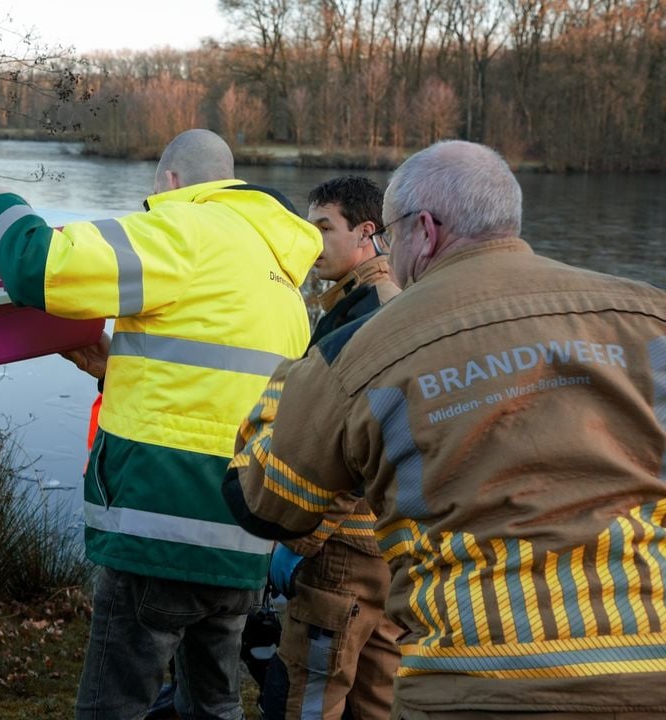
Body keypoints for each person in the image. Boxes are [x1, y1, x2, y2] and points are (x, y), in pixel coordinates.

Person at [223, 140, 666, 719]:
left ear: (423, 231)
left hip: (475, 683)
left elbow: (263, 503)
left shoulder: (361, 350)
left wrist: (284, 390)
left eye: (392, 231)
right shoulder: (648, 316)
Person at [0, 128, 323, 720]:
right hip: (242, 540)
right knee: (213, 705)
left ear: (170, 182)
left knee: (115, 705)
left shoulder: (182, 229)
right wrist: (116, 369)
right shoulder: (282, 276)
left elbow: (42, 267)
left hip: (158, 533)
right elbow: (221, 390)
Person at [259, 176, 402, 720]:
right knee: (377, 701)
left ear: (367, 232)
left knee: (308, 699)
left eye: (324, 227)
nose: (311, 241)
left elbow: (353, 447)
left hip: (342, 553)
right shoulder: (384, 301)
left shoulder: (366, 314)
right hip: (386, 551)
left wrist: (302, 539)